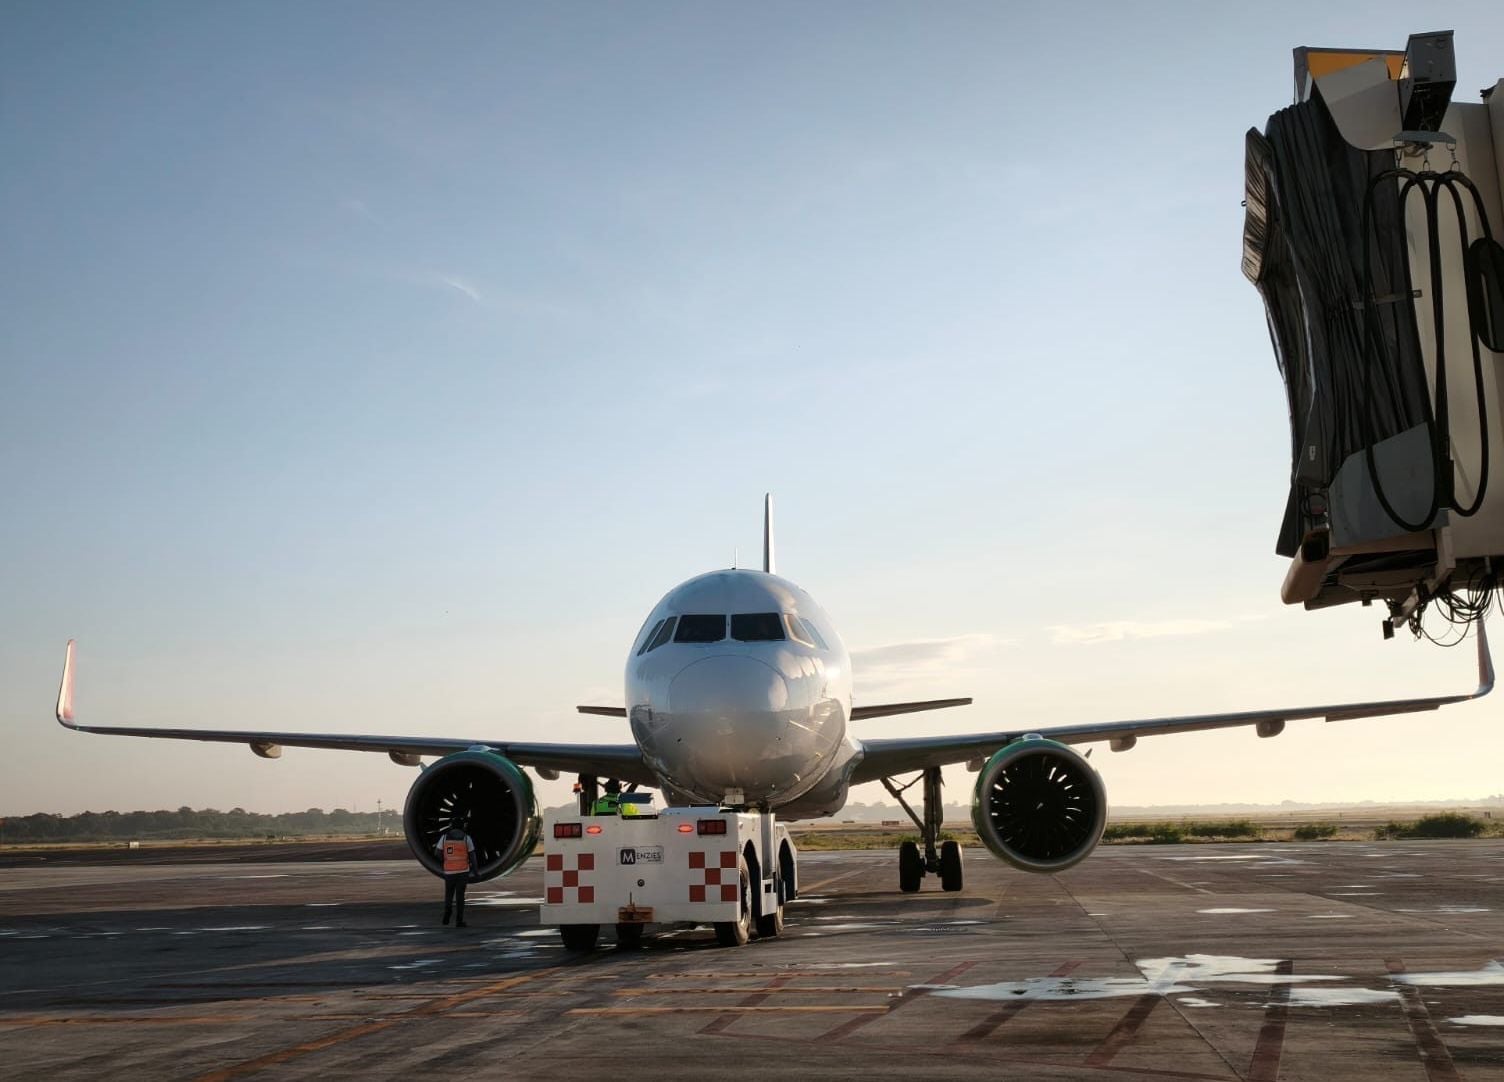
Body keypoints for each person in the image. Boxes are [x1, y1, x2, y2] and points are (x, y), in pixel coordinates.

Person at [435, 824, 477, 927]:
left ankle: (448, 911)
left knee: (449, 895)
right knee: (460, 897)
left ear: (451, 826)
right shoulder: (467, 838)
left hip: (449, 872)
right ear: (462, 826)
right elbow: (472, 856)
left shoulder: (444, 838)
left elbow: (437, 853)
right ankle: (459, 921)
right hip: (462, 872)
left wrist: (444, 861)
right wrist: (475, 871)